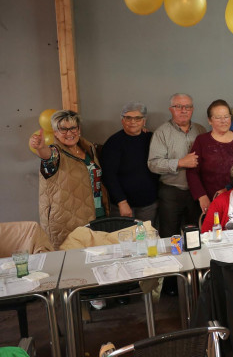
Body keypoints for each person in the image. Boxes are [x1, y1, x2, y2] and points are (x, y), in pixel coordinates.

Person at [29, 110, 107, 248]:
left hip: (97, 214)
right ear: (55, 132)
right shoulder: (55, 152)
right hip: (68, 222)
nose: (69, 133)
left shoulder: (88, 148)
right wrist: (41, 148)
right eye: (63, 129)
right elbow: (48, 157)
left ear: (79, 129)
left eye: (72, 128)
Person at [148, 93, 205, 238]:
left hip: (196, 193)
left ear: (192, 109)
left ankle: (195, 261)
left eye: (187, 107)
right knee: (169, 235)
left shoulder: (201, 130)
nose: (183, 110)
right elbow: (153, 164)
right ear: (170, 109)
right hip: (171, 193)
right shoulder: (162, 133)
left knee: (195, 234)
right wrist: (180, 163)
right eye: (178, 106)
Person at [186, 99, 233, 214]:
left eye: (226, 116)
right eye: (218, 117)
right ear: (209, 120)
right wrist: (201, 196)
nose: (223, 121)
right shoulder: (202, 141)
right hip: (213, 200)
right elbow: (192, 172)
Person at [100, 102, 158, 221]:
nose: (133, 122)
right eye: (128, 118)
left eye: (138, 118)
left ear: (144, 121)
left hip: (149, 204)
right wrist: (122, 202)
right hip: (122, 205)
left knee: (147, 237)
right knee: (123, 237)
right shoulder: (113, 143)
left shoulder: (152, 138)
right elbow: (108, 175)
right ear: (122, 120)